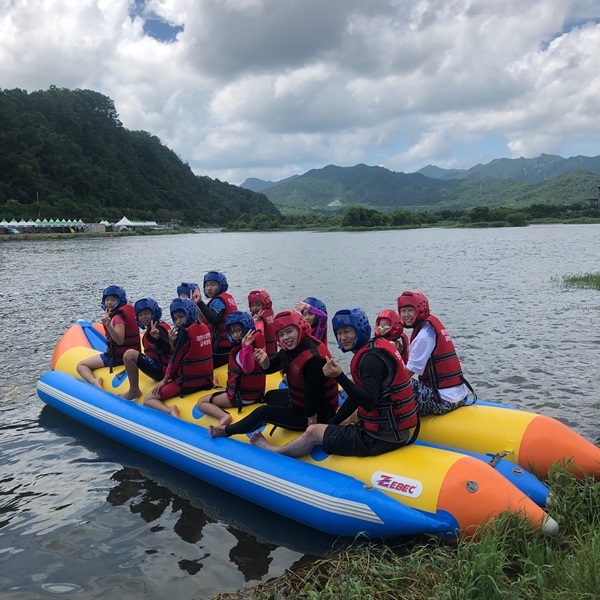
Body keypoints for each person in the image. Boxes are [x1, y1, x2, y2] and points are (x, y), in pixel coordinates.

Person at [250, 307, 419, 458]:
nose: (342, 337)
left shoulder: (369, 360)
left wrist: (339, 376)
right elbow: (356, 399)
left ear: (360, 330)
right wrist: (332, 423)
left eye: (347, 332)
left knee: (313, 432)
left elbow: (368, 402)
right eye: (339, 333)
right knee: (346, 417)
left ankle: (274, 450)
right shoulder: (374, 347)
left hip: (380, 436)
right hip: (395, 429)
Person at [209, 309, 339, 438]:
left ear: (300, 329)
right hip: (302, 403)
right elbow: (270, 368)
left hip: (317, 414)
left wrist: (311, 424)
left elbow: (312, 395)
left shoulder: (314, 359)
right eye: (281, 334)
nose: (285, 337)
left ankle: (225, 430)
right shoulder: (291, 348)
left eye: (289, 331)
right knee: (270, 396)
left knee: (263, 412)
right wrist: (264, 360)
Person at [397, 290, 474, 416]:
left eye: (410, 310)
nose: (406, 315)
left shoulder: (423, 335)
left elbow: (407, 374)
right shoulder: (431, 327)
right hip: (461, 396)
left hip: (442, 401)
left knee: (397, 384)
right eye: (403, 311)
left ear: (420, 310)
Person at [143, 298, 214, 417]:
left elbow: (175, 359)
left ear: (189, 313)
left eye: (181, 317)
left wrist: (164, 381)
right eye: (175, 318)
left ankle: (169, 411)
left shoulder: (185, 333)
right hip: (207, 381)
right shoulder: (204, 327)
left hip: (187, 384)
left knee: (148, 399)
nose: (178, 321)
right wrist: (171, 342)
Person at [195, 311, 266, 427]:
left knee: (201, 402)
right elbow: (259, 327)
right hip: (255, 395)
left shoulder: (243, 352)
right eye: (232, 332)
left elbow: (248, 369)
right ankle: (217, 387)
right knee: (217, 386)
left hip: (241, 398)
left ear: (246, 329)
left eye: (238, 330)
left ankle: (223, 416)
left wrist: (246, 347)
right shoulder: (255, 343)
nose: (235, 335)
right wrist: (258, 321)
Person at [76, 285, 140, 388]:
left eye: (113, 299)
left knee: (81, 366)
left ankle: (94, 381)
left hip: (118, 359)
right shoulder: (123, 313)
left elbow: (119, 340)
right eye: (107, 299)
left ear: (120, 300)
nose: (109, 302)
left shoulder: (117, 317)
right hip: (132, 356)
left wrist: (109, 325)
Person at [119, 298, 172, 400]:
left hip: (162, 372)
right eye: (140, 315)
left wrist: (157, 338)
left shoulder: (157, 330)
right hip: (166, 369)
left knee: (129, 354)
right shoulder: (161, 325)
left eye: (146, 313)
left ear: (154, 313)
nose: (143, 317)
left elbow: (168, 347)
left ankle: (133, 391)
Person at [196, 271, 238, 368]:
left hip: (221, 351)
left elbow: (215, 320)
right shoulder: (227, 298)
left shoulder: (218, 301)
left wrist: (200, 302)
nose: (209, 288)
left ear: (221, 285)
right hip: (230, 347)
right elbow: (205, 320)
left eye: (213, 284)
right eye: (206, 285)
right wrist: (196, 303)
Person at [247, 288, 277, 357]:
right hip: (272, 350)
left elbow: (257, 334)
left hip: (265, 353)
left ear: (265, 304)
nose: (255, 308)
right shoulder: (269, 313)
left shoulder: (261, 318)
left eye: (258, 305)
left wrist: (255, 321)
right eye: (252, 305)